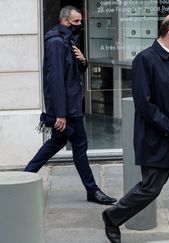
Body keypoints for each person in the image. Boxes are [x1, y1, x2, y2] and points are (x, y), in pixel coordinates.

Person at [101, 14, 169, 242]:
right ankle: (113, 216)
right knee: (150, 189)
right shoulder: (145, 60)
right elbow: (145, 104)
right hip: (158, 139)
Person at [24, 6, 117, 205]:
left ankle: (25, 176)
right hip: (68, 109)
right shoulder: (56, 42)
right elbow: (55, 80)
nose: (80, 25)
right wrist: (60, 114)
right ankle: (92, 190)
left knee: (59, 144)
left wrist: (83, 61)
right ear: (65, 21)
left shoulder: (67, 40)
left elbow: (72, 72)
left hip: (72, 105)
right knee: (78, 147)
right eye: (76, 22)